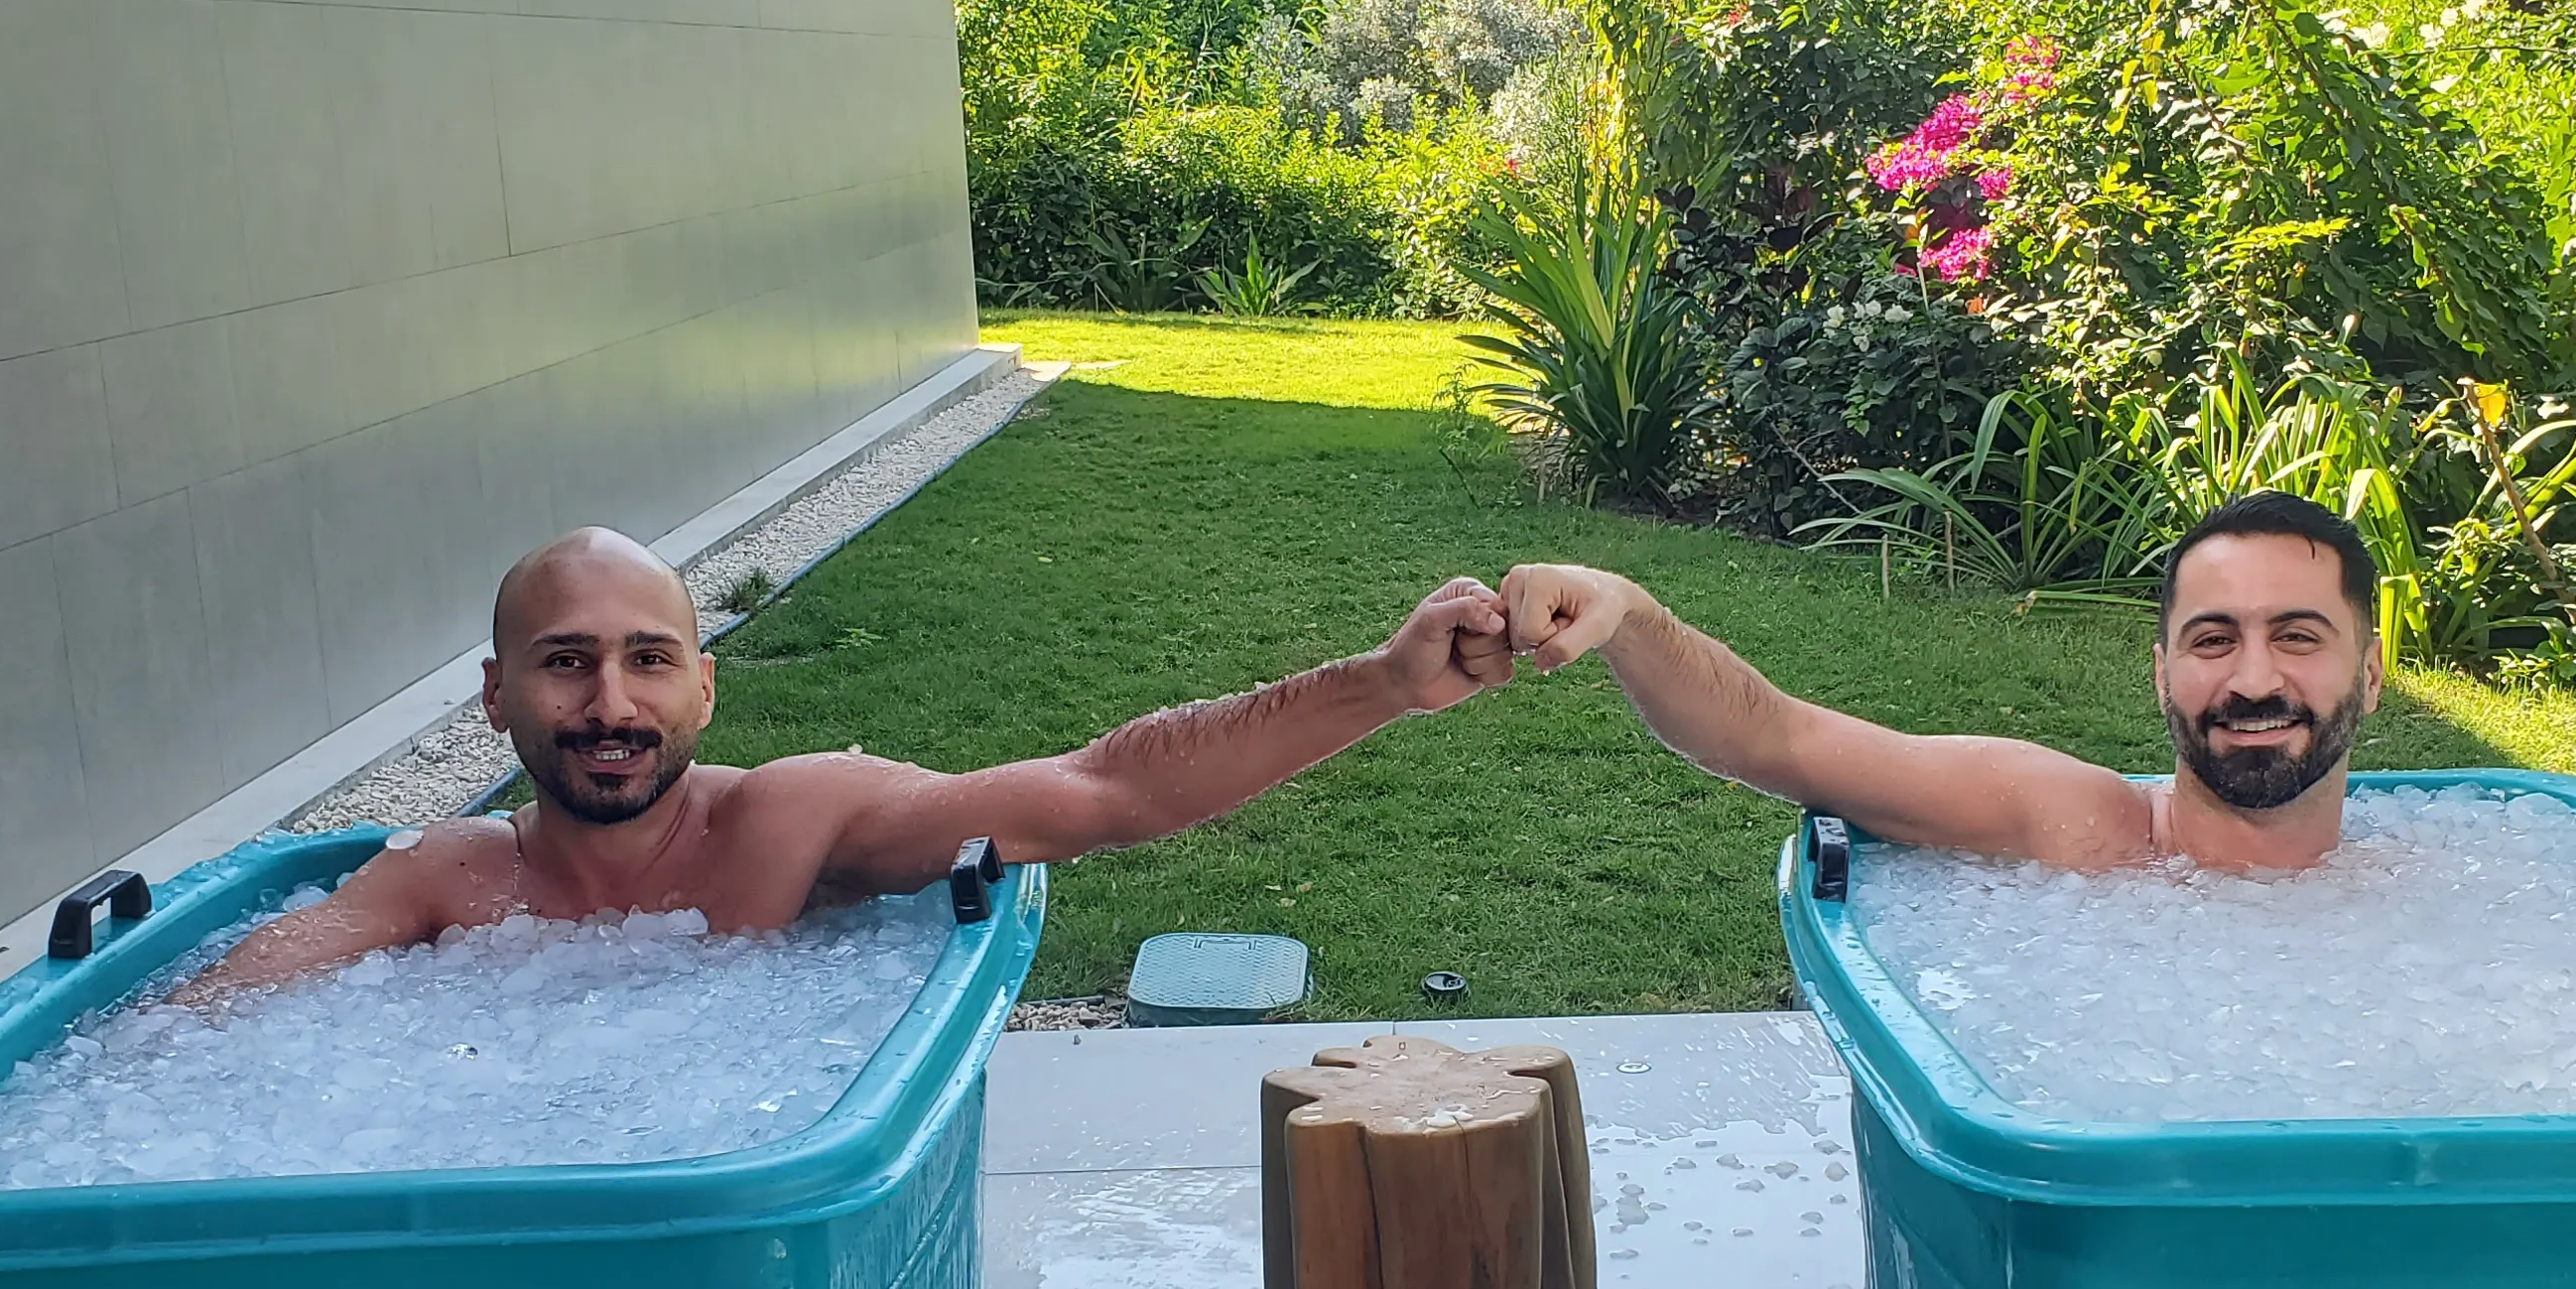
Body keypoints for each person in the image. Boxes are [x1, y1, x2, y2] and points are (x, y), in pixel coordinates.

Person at [189, 526, 1514, 994]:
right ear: (495, 696)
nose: (610, 703)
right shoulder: (439, 883)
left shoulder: (790, 824)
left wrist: (1382, 683)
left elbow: (1106, 789)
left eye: (650, 659)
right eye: (565, 661)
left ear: (705, 687)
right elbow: (187, 1040)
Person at [1498, 488, 2384, 873]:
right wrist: (1631, 614)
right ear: (2161, 674)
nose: (2253, 679)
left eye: (2297, 637)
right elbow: (1774, 738)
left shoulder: (2442, 891)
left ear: (2372, 672)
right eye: (2213, 640)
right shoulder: (2076, 830)